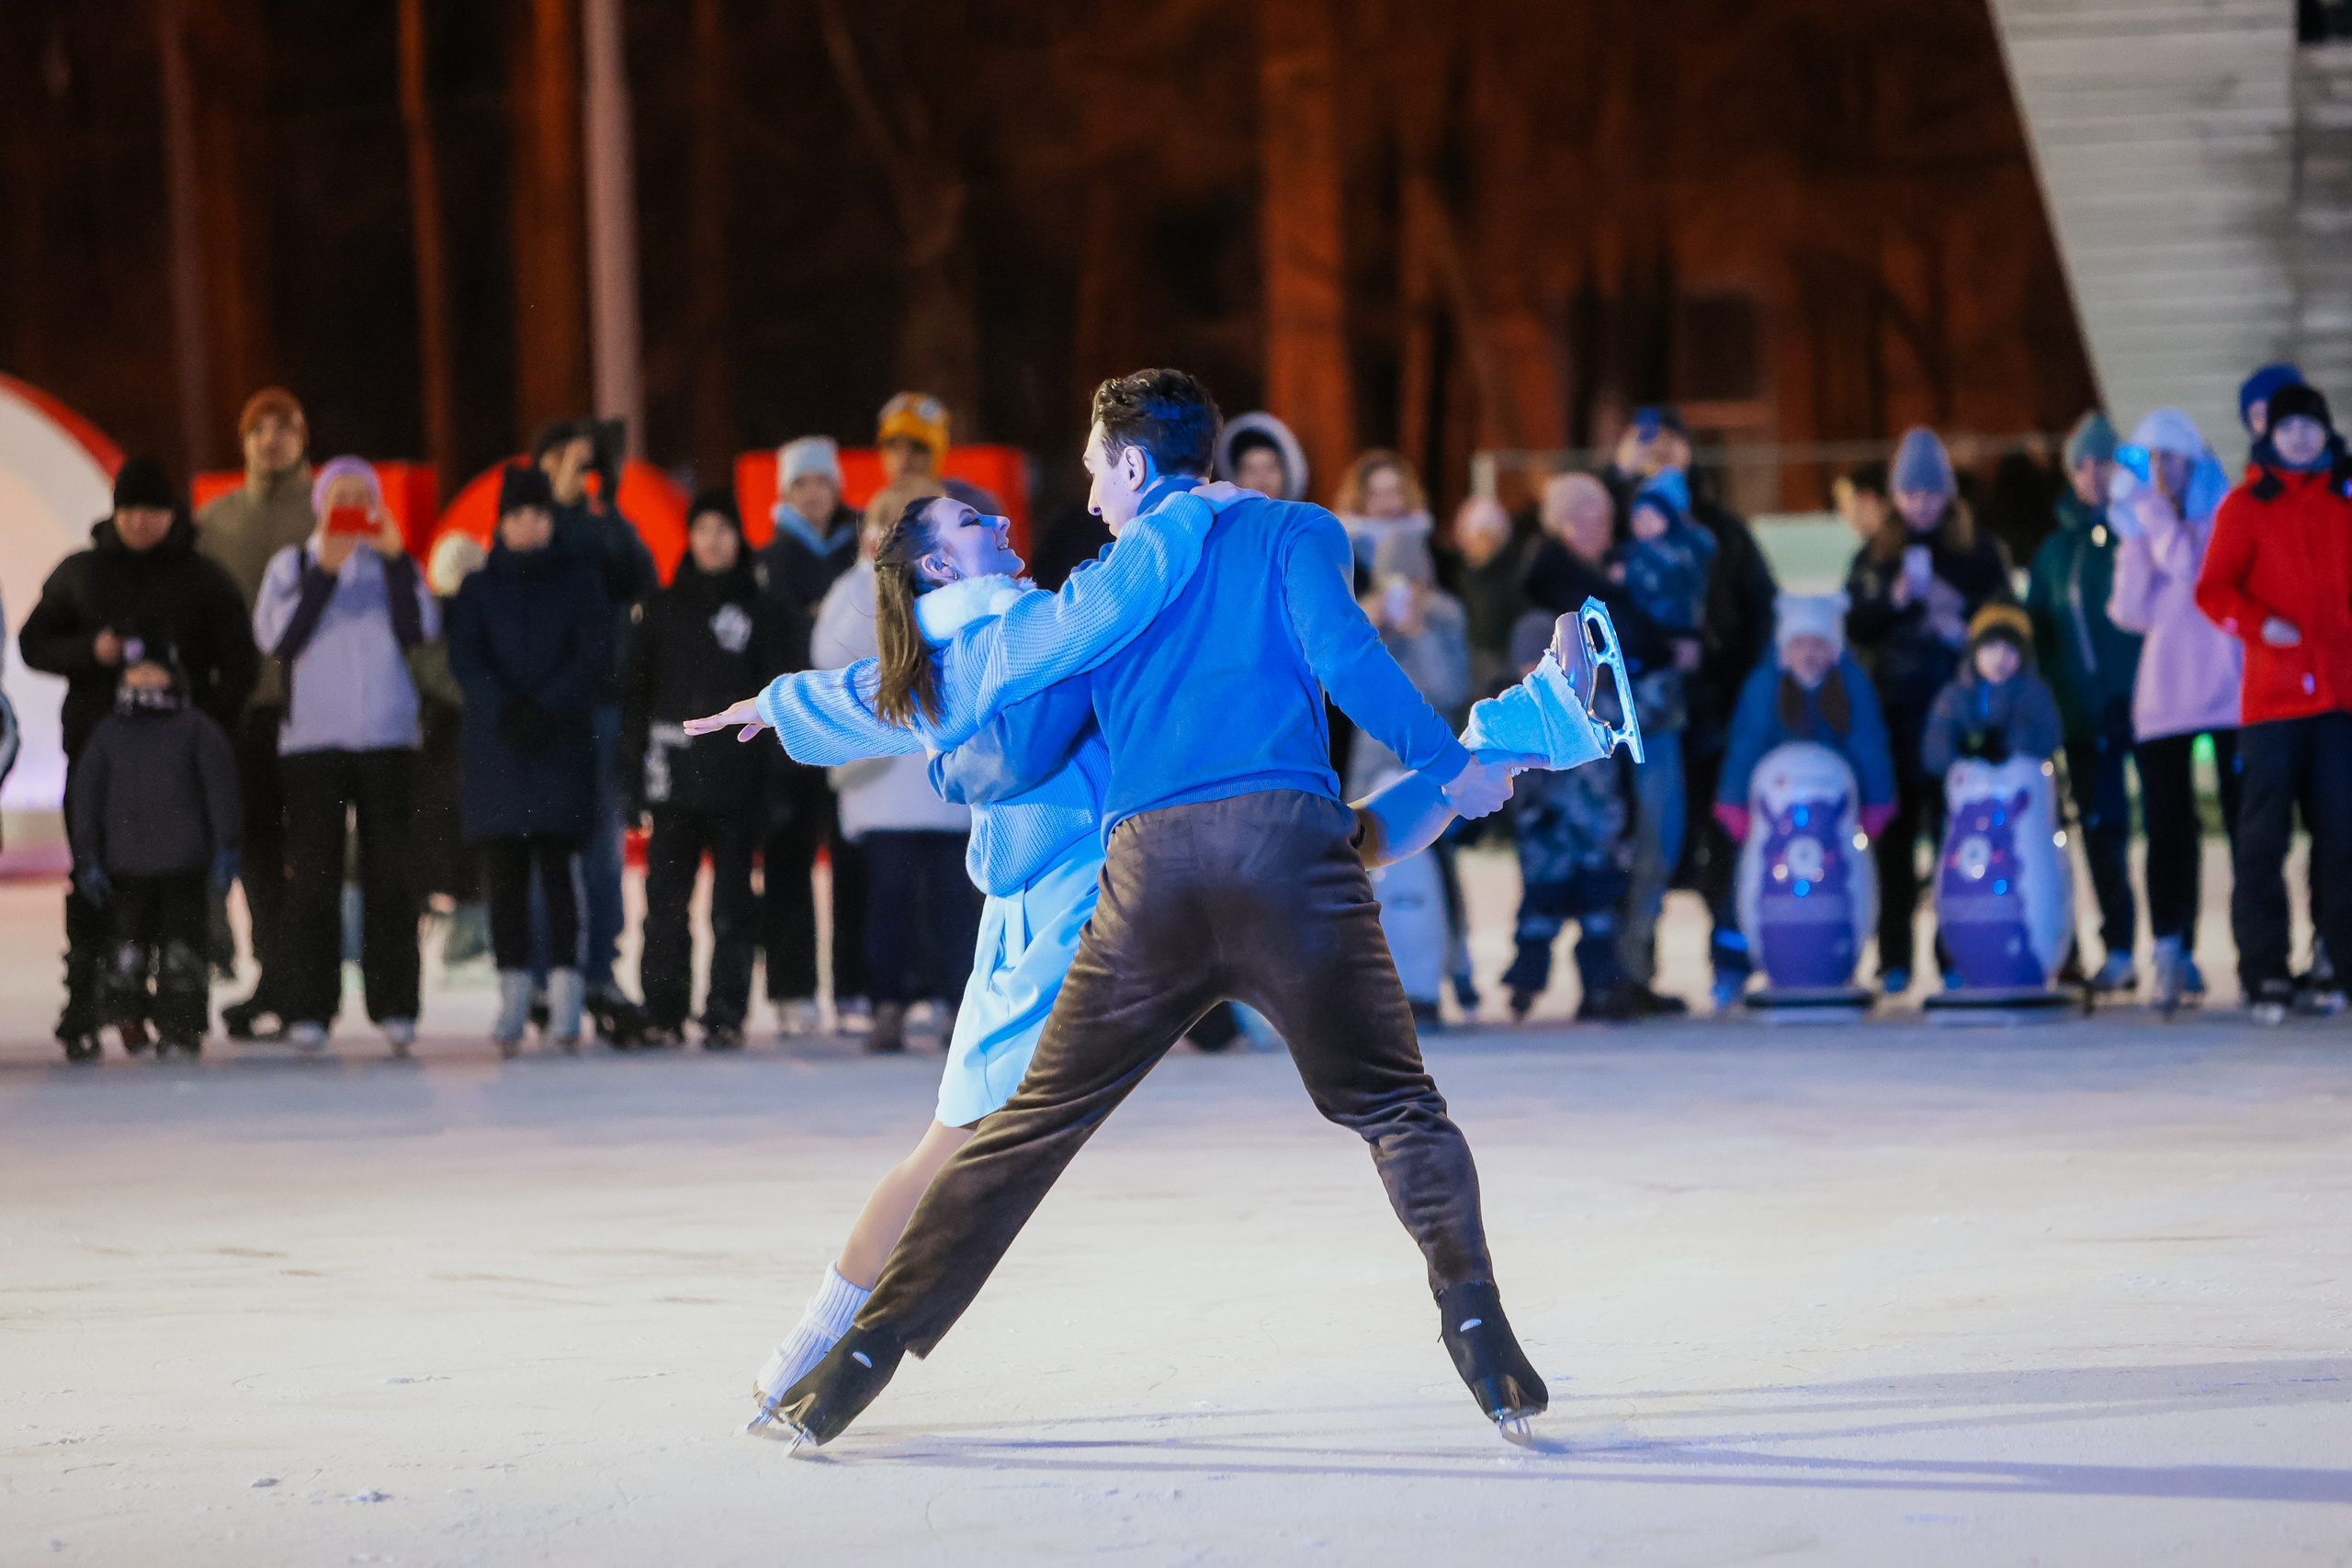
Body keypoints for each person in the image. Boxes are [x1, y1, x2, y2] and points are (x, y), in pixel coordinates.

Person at [740, 369, 1536, 1449]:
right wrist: (1452, 761)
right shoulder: (1293, 531)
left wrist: (921, 755)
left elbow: (1000, 742)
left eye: (1090, 468)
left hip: (1147, 879)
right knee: (1396, 1105)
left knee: (1013, 1138)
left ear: (1129, 465)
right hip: (1283, 846)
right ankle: (1478, 1326)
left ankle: (855, 1366)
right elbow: (1350, 664)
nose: (1078, 492)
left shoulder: (1109, 591)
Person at [20, 457, 259, 1058]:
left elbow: (240, 659)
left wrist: (209, 723)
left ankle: (179, 1007)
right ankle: (89, 1003)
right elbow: (33, 642)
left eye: (152, 511)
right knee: (96, 884)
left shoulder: (203, 577)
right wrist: (91, 650)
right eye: (129, 511)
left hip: (179, 768)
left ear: (171, 514)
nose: (140, 523)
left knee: (182, 889)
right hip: (98, 756)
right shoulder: (81, 573)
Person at [250, 457, 436, 1053]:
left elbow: (419, 629)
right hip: (313, 742)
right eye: (342, 495)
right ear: (321, 503)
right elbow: (277, 637)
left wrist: (394, 559)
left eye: (364, 495)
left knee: (391, 875)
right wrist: (323, 574)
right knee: (314, 878)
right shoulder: (294, 564)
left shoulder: (394, 563)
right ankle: (309, 1006)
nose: (353, 505)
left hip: (387, 737)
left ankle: (396, 1004)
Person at [1605, 406, 1781, 1008]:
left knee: (1719, 835)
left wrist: (1741, 686)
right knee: (1645, 839)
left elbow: (1760, 607)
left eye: (1668, 442)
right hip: (1635, 710)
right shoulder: (1614, 522)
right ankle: (1632, 969)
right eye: (1643, 441)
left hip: (1711, 710)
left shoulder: (1720, 528)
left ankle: (1730, 957)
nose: (1656, 452)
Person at [622, 489, 800, 1049]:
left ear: (738, 538)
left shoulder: (764, 611)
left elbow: (779, 700)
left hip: (738, 783)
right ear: (690, 538)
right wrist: (630, 778)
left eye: (724, 528)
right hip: (672, 781)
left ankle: (726, 1012)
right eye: (703, 529)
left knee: (732, 909)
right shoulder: (662, 608)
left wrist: (777, 782)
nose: (713, 539)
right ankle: (663, 1008)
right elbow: (635, 697)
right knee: (665, 905)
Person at [2197, 381, 2352, 1024]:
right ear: (2270, 436)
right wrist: (2259, 625)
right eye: (2290, 427)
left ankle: (2338, 960)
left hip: (2340, 699)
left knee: (2342, 838)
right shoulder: (2245, 505)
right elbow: (2213, 590)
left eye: (2311, 427)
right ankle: (2264, 969)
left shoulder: (2345, 502)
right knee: (2262, 842)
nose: (2301, 437)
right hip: (2272, 707)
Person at [446, 464, 611, 1055]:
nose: (528, 525)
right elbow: (464, 658)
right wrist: (506, 708)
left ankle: (566, 998)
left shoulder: (580, 582)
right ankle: (513, 996)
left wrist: (547, 707)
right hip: (497, 748)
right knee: (505, 879)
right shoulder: (477, 588)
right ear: (501, 523)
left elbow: (592, 655)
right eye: (516, 515)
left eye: (537, 514)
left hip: (559, 743)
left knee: (560, 874)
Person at [1844, 427, 2012, 995]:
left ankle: (1955, 953)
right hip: (1891, 717)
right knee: (1892, 843)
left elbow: (2006, 625)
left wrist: (1960, 625)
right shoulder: (1873, 557)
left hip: (1957, 719)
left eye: (1931, 493)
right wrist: (1892, 603)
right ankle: (1894, 957)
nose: (1921, 505)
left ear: (1948, 495)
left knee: (1955, 842)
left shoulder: (1978, 552)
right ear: (1894, 495)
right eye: (1910, 494)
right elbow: (1852, 626)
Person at [2107, 408, 2242, 1013]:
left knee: (2247, 828)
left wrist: (2159, 524)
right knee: (2167, 829)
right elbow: (2129, 609)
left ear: (2194, 458)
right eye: (2152, 459)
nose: (2163, 471)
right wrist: (2141, 535)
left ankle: (2259, 950)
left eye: (2172, 457)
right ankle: (2169, 945)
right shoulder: (2140, 524)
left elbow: (2196, 572)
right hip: (2162, 697)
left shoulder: (2222, 516)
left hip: (2229, 690)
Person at [534, 419, 659, 1041]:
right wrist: (564, 502)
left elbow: (640, 574)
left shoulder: (607, 522)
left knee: (603, 848)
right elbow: (541, 560)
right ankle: (542, 972)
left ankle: (599, 971)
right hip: (544, 709)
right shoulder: (530, 523)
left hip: (602, 702)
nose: (576, 473)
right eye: (564, 460)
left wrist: (604, 504)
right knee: (544, 846)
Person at [197, 388, 314, 1038]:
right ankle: (276, 975)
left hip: (318, 712)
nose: (271, 440)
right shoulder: (217, 523)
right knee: (260, 850)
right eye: (258, 429)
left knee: (314, 850)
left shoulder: (328, 514)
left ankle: (308, 980)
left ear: (303, 439)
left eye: (284, 428)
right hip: (247, 710)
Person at [65, 654, 241, 1059]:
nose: (144, 677)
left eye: (153, 671)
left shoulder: (195, 730)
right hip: (127, 868)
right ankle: (130, 1022)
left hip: (183, 865)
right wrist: (87, 854)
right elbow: (86, 797)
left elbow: (220, 789)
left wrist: (226, 844)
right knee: (128, 949)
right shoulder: (110, 734)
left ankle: (179, 1026)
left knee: (182, 950)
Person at [2024, 412, 2143, 992]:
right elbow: (2038, 633)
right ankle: (2117, 946)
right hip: (2081, 713)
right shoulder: (2053, 551)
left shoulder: (2139, 531)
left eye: (2105, 462)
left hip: (2149, 707)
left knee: (2170, 827)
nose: (2093, 475)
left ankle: (2177, 941)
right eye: (2082, 464)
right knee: (2101, 830)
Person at [756, 435, 863, 1038]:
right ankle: (791, 988)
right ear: (786, 492)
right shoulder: (769, 558)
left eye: (823, 481)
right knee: (790, 861)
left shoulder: (861, 551)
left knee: (857, 862)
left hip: (853, 727)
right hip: (794, 731)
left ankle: (855, 985)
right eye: (802, 483)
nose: (815, 493)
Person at [1350, 530, 1474, 1026]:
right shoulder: (1356, 615)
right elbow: (1345, 688)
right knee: (1384, 885)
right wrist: (1371, 629)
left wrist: (1419, 632)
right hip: (1373, 769)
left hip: (1432, 767)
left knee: (1430, 881)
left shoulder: (1444, 616)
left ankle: (1437, 978)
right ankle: (1384, 988)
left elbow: (1449, 688)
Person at [1608, 471, 1716, 1010]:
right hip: (1626, 718)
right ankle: (1621, 970)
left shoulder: (1679, 564)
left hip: (1658, 718)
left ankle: (1634, 969)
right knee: (1639, 841)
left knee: (1658, 839)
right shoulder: (1618, 575)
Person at [1497, 612, 1635, 1022]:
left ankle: (1602, 990)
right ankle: (1525, 984)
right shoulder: (1515, 712)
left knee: (1599, 917)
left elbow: (1621, 773)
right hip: (1544, 841)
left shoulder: (1599, 706)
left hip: (1596, 836)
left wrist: (1621, 821)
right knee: (1538, 916)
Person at [1713, 592, 1898, 876]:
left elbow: (1869, 746)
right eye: (1799, 644)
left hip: (1834, 811)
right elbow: (1746, 746)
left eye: (1818, 644)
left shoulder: (1853, 687)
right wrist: (1735, 802)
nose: (1809, 654)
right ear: (1785, 651)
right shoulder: (1764, 688)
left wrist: (1876, 803)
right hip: (1776, 810)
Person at [413, 533, 489, 971]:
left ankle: (467, 943)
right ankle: (467, 943)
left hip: (445, 759)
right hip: (443, 757)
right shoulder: (433, 635)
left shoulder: (426, 634)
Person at [1920, 605, 2064, 777]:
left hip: (2022, 787)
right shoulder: (1954, 696)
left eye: (2010, 649)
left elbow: (2050, 736)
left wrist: (2013, 750)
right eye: (1991, 647)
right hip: (1971, 790)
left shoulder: (2034, 692)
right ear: (1974, 652)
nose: (2000, 658)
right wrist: (1963, 761)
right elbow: (1935, 746)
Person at [1448, 496, 1528, 697]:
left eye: (1490, 537)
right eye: (1477, 537)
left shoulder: (1513, 579)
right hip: (1462, 669)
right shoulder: (1454, 578)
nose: (1483, 545)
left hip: (1501, 669)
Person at [876, 391, 1003, 513]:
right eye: (893, 446)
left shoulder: (973, 507)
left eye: (918, 448)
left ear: (936, 454)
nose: (904, 459)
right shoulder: (874, 512)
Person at [1333, 448, 1433, 581]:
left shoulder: (1425, 536)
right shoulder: (1342, 547)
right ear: (1359, 499)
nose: (1386, 503)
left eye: (1394, 492)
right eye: (1376, 495)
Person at [1215, 411, 1309, 502]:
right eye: (1251, 470)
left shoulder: (1304, 517)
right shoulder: (1228, 518)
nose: (1262, 479)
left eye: (1270, 468)